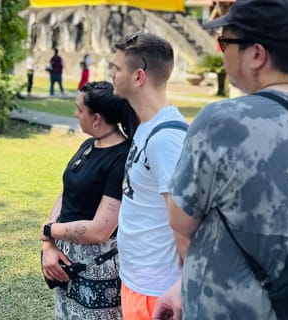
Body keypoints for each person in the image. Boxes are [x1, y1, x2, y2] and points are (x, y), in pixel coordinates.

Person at [152, 1, 288, 319]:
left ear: (256, 55)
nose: (221, 51)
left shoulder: (223, 120)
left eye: (225, 41)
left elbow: (180, 220)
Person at [40, 81, 138, 319]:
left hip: (98, 268)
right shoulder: (88, 145)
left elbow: (100, 230)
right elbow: (66, 192)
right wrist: (49, 245)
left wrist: (50, 231)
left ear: (96, 119)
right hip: (65, 258)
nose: (75, 114)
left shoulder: (121, 157)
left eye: (79, 109)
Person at [109, 32, 190, 320]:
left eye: (117, 68)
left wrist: (185, 286)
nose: (112, 74)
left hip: (158, 291)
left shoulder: (166, 138)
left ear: (138, 76)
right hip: (138, 282)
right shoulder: (146, 126)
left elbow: (185, 224)